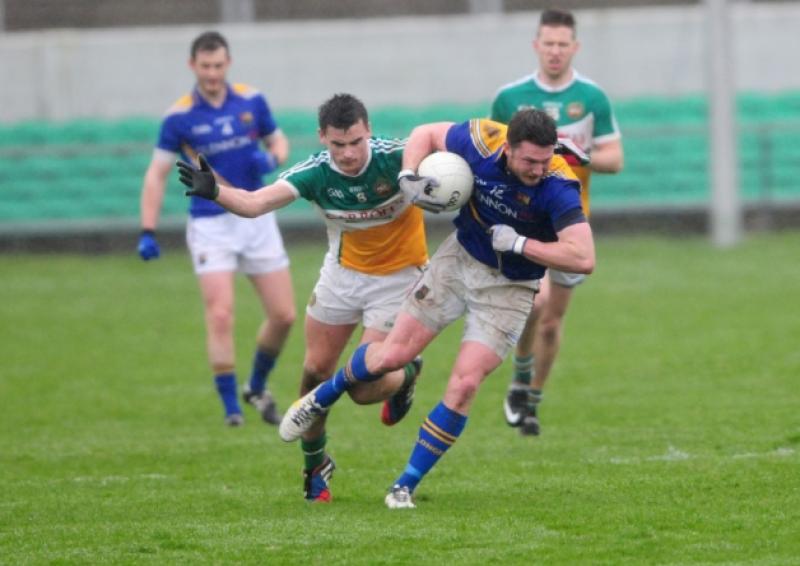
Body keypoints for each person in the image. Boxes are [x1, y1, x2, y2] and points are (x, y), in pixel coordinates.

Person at [278, 108, 596, 509]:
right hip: (458, 262)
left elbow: (583, 257)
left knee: (464, 386)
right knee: (392, 354)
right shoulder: (482, 141)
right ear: (508, 149)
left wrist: (520, 244)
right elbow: (425, 131)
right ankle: (323, 396)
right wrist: (409, 176)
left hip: (511, 289)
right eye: (529, 160)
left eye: (544, 158)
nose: (537, 168)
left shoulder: (558, 185)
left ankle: (404, 485)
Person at [176, 93, 428, 503]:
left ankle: (408, 374)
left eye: (356, 142)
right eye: (337, 144)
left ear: (369, 132)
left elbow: (449, 151)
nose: (347, 154)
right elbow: (257, 203)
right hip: (342, 275)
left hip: (399, 280)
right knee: (314, 373)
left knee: (363, 389)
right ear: (322, 138)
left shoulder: (399, 158)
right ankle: (315, 467)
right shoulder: (315, 173)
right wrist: (217, 192)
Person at [137, 31, 296, 427]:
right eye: (205, 66)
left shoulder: (251, 100)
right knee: (221, 314)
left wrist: (270, 159)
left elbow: (280, 144)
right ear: (193, 66)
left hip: (258, 217)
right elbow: (156, 175)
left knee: (284, 315)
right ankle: (231, 409)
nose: (212, 73)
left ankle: (255, 385)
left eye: (218, 65)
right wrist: (148, 229)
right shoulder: (179, 117)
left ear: (228, 64)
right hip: (211, 225)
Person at [490, 8, 624, 436]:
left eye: (562, 44)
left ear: (574, 48)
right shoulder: (509, 98)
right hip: (526, 217)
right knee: (539, 302)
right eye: (547, 43)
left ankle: (530, 397)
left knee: (552, 321)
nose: (554, 51)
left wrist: (580, 157)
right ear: (536, 45)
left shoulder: (593, 98)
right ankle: (520, 373)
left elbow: (615, 159)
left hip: (570, 221)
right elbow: (495, 155)